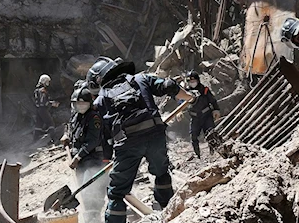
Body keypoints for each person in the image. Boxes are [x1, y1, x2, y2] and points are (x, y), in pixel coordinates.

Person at [87, 56, 193, 223]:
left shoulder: (101, 99)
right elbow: (168, 85)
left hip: (127, 145)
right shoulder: (140, 78)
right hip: (155, 136)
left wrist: (108, 157)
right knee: (161, 174)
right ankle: (170, 214)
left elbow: (104, 135)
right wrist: (188, 96)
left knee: (117, 192)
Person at [60, 85, 105, 223]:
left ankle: (94, 218)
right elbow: (70, 128)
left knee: (91, 190)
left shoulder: (94, 118)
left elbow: (92, 141)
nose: (80, 106)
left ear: (89, 103)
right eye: (76, 103)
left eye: (83, 103)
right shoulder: (76, 116)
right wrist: (66, 135)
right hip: (79, 161)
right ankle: (88, 218)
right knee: (82, 191)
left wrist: (77, 157)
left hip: (92, 159)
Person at [178, 70, 220, 159]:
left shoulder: (204, 89)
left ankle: (214, 153)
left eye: (194, 81)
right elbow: (181, 102)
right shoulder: (186, 92)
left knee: (211, 134)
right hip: (194, 117)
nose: (192, 83)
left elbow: (212, 100)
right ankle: (198, 155)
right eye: (190, 82)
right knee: (193, 136)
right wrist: (179, 112)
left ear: (198, 80)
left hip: (206, 115)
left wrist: (216, 110)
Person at [33, 74, 58, 141]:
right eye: (48, 81)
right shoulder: (42, 90)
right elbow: (43, 102)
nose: (48, 83)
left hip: (38, 110)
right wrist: (52, 104)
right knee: (50, 123)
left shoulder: (37, 90)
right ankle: (53, 138)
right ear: (45, 81)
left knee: (38, 124)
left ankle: (35, 139)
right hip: (43, 110)